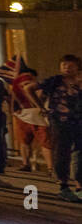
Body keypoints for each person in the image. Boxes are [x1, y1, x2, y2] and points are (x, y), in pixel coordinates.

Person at [37, 53, 82, 203]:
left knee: (79, 153)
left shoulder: (79, 81)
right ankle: (63, 187)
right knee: (62, 152)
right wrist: (40, 107)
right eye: (64, 65)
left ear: (77, 67)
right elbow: (29, 88)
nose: (67, 68)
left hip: (78, 122)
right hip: (60, 122)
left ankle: (79, 186)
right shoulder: (55, 81)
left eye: (70, 66)